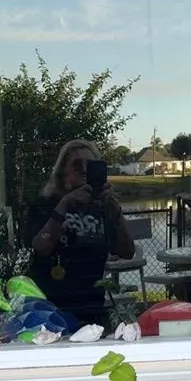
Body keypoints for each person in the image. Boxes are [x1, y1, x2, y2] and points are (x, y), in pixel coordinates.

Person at [24, 139, 134, 331]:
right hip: (49, 308)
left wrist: (115, 211)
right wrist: (64, 205)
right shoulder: (45, 205)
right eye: (76, 165)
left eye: (89, 166)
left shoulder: (102, 209)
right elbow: (40, 247)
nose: (83, 170)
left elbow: (127, 251)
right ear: (62, 174)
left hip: (91, 306)